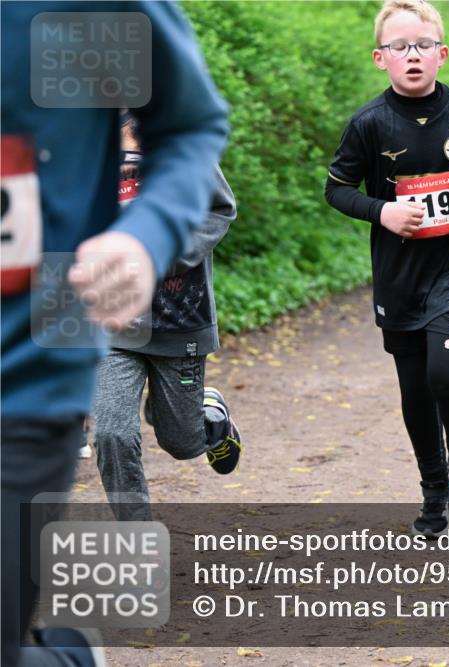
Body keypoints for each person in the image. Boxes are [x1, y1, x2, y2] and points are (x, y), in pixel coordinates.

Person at [1, 2, 228, 665]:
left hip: (43, 337)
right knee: (118, 432)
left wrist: (147, 239)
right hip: (99, 330)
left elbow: (190, 130)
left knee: (179, 437)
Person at [324, 0, 449, 537]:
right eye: (399, 47)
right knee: (414, 387)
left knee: (446, 373)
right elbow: (336, 189)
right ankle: (432, 491)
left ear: (441, 54)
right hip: (399, 274)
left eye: (423, 45)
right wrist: (382, 210)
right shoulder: (368, 124)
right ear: (380, 58)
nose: (412, 55)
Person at [88, 112, 242, 523]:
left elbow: (220, 209)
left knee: (182, 442)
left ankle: (210, 419)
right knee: (111, 433)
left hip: (180, 320)